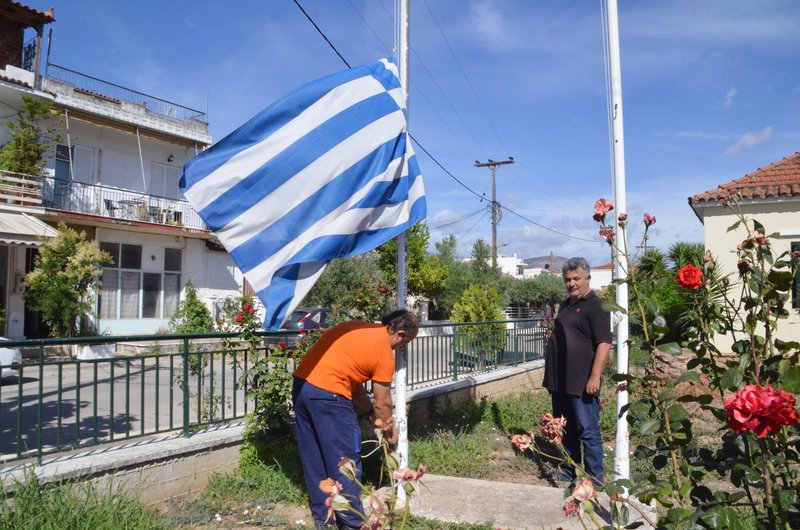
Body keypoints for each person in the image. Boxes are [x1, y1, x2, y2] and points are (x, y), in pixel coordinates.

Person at [291, 309, 419, 530]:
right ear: (399, 334)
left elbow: (353, 379)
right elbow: (383, 401)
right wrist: (389, 428)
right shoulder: (383, 353)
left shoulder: (358, 328)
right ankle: (353, 524)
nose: (401, 348)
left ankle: (325, 519)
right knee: (345, 462)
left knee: (315, 458)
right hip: (329, 396)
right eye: (405, 343)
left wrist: (369, 412)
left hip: (302, 388)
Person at [543, 257, 612, 485]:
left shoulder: (596, 306)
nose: (572, 283)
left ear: (587, 279)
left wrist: (594, 377)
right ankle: (568, 471)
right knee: (566, 430)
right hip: (560, 382)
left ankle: (595, 479)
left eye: (576, 278)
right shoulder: (565, 306)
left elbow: (604, 343)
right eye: (567, 279)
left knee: (587, 432)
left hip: (582, 383)